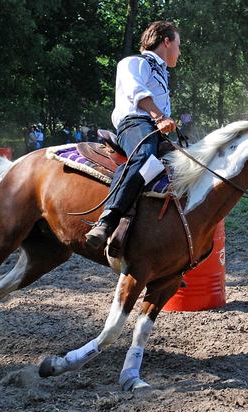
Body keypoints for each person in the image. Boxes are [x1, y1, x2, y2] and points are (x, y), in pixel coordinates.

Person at [85, 21, 181, 249]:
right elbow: (136, 91)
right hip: (137, 123)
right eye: (178, 45)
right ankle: (107, 220)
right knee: (145, 157)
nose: (179, 51)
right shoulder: (134, 62)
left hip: (157, 128)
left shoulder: (161, 72)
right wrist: (160, 117)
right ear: (166, 42)